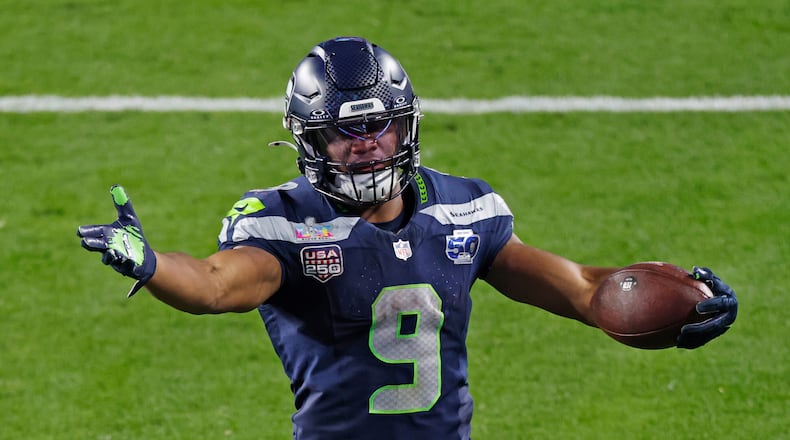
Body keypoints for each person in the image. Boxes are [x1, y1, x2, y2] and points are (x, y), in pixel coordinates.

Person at [77, 36, 738, 439]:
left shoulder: (466, 210)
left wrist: (684, 303)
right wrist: (151, 263)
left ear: (407, 128)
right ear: (313, 140)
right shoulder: (284, 222)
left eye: (380, 129)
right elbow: (214, 285)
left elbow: (588, 291)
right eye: (346, 134)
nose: (366, 148)